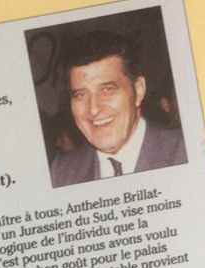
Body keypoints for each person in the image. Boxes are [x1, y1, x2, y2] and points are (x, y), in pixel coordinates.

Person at [50, 30, 186, 188]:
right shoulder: (63, 172)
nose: (93, 109)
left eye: (107, 89)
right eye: (80, 94)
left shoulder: (187, 149)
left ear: (138, 90)